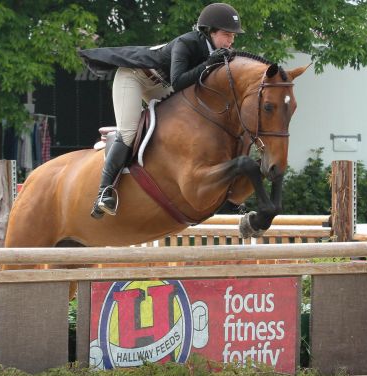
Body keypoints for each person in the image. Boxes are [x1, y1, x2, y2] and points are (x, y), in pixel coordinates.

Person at [79, 3, 244, 219]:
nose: (231, 40)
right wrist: (207, 65)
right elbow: (178, 82)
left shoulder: (221, 52)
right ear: (210, 31)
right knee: (129, 133)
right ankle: (104, 192)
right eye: (226, 34)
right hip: (135, 77)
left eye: (233, 36)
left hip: (160, 83)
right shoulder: (187, 43)